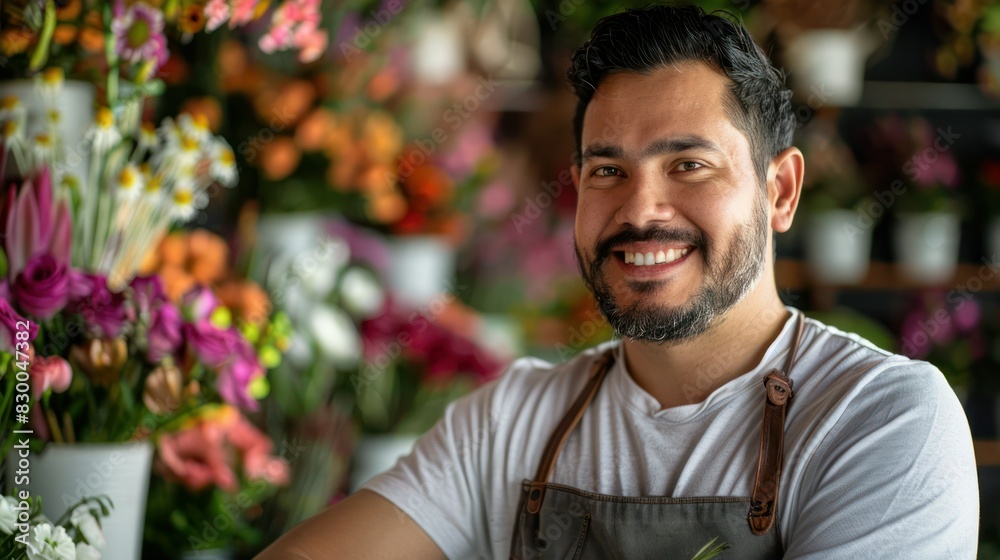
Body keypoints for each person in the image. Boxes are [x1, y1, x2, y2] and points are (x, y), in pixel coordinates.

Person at [257, 5, 978, 559]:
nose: (639, 210)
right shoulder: (512, 420)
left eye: (688, 165)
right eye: (608, 171)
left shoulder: (881, 419)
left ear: (781, 191)